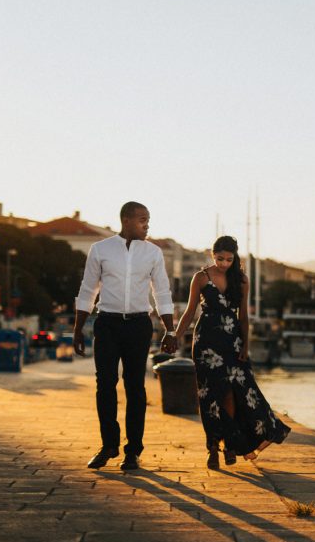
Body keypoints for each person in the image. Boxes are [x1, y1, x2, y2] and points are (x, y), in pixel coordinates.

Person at [73, 201, 177, 471]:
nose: (147, 224)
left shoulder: (154, 253)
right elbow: (88, 290)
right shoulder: (100, 250)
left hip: (139, 325)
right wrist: (77, 329)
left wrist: (170, 328)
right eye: (143, 219)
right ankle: (108, 446)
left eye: (148, 219)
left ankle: (133, 452)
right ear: (127, 220)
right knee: (105, 385)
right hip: (106, 324)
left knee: (135, 387)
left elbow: (162, 292)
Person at [173, 235, 289, 468]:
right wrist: (175, 336)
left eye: (228, 259)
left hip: (233, 343)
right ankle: (213, 448)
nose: (224, 263)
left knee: (234, 391)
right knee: (209, 395)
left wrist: (246, 345)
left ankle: (231, 445)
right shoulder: (201, 277)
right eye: (219, 259)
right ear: (212, 254)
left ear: (235, 257)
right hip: (206, 342)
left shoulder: (242, 280)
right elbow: (189, 312)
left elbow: (243, 317)